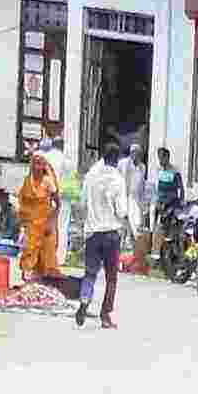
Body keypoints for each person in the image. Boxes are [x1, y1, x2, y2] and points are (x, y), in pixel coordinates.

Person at [76, 136, 139, 324]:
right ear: (116, 159)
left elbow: (82, 203)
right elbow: (121, 211)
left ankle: (84, 300)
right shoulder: (117, 179)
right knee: (111, 277)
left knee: (90, 273)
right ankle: (105, 315)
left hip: (92, 233)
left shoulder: (91, 175)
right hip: (111, 234)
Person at [17, 148, 62, 286]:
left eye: (39, 163)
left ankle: (47, 283)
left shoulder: (48, 181)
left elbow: (57, 204)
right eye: (34, 163)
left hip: (45, 224)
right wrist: (22, 222)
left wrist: (51, 223)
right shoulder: (27, 181)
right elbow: (23, 203)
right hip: (31, 224)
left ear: (44, 165)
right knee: (29, 251)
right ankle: (28, 281)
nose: (36, 166)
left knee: (47, 254)